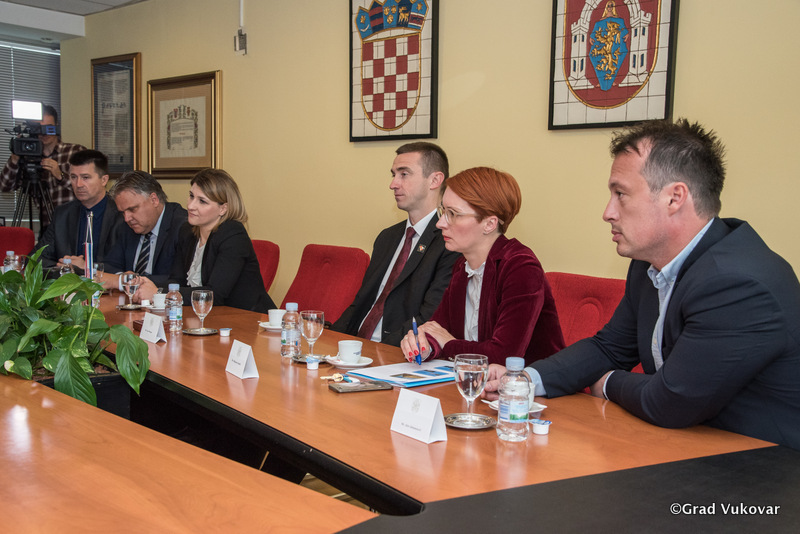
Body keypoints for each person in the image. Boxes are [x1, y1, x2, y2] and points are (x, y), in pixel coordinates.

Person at [484, 119, 800, 449]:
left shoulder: (737, 283)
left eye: (621, 194)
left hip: (762, 465)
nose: (608, 212)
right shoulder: (649, 263)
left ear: (674, 198)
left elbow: (670, 402)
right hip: (685, 447)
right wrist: (524, 380)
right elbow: (609, 347)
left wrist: (606, 383)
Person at [399, 167, 564, 366]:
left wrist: (448, 344)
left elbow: (503, 357)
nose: (440, 223)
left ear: (489, 224)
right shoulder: (463, 266)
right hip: (475, 380)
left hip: (530, 383)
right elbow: (438, 329)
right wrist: (423, 344)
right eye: (443, 211)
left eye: (453, 214)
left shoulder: (521, 267)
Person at [332, 142, 460, 346]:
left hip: (395, 350)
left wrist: (376, 350)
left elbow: (429, 318)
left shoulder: (449, 242)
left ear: (434, 180)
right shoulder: (387, 237)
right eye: (394, 175)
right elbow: (361, 304)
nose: (393, 184)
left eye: (404, 174)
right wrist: (330, 339)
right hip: (356, 348)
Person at [168, 168, 275, 312]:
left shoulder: (233, 235)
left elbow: (215, 294)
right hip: (208, 316)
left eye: (202, 201)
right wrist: (150, 288)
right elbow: (176, 280)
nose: (190, 206)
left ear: (223, 209)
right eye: (191, 196)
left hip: (249, 318)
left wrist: (164, 295)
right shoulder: (187, 231)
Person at [92, 170, 188, 301]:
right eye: (123, 212)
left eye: (132, 209)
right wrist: (122, 277)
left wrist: (126, 280)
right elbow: (110, 266)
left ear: (154, 200)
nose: (127, 218)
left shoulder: (182, 226)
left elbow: (180, 280)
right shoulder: (127, 226)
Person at [1, 105, 86, 235]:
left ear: (56, 126)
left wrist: (60, 175)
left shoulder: (75, 152)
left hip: (75, 227)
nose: (44, 133)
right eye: (39, 128)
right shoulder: (27, 159)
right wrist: (15, 159)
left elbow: (89, 188)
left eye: (48, 127)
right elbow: (4, 186)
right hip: (48, 231)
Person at [34, 149, 123, 273]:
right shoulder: (62, 214)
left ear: (104, 180)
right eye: (73, 177)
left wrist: (87, 267)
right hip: (67, 283)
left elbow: (126, 266)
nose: (78, 184)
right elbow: (35, 259)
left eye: (85, 177)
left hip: (106, 284)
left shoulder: (122, 215)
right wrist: (66, 268)